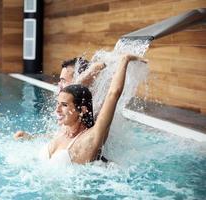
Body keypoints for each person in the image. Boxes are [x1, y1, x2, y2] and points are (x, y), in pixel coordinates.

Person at [15, 54, 147, 165]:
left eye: (64, 105)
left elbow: (113, 94)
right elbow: (72, 93)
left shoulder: (91, 136)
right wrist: (31, 137)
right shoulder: (66, 128)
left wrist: (124, 60)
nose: (57, 110)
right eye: (58, 104)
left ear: (82, 110)